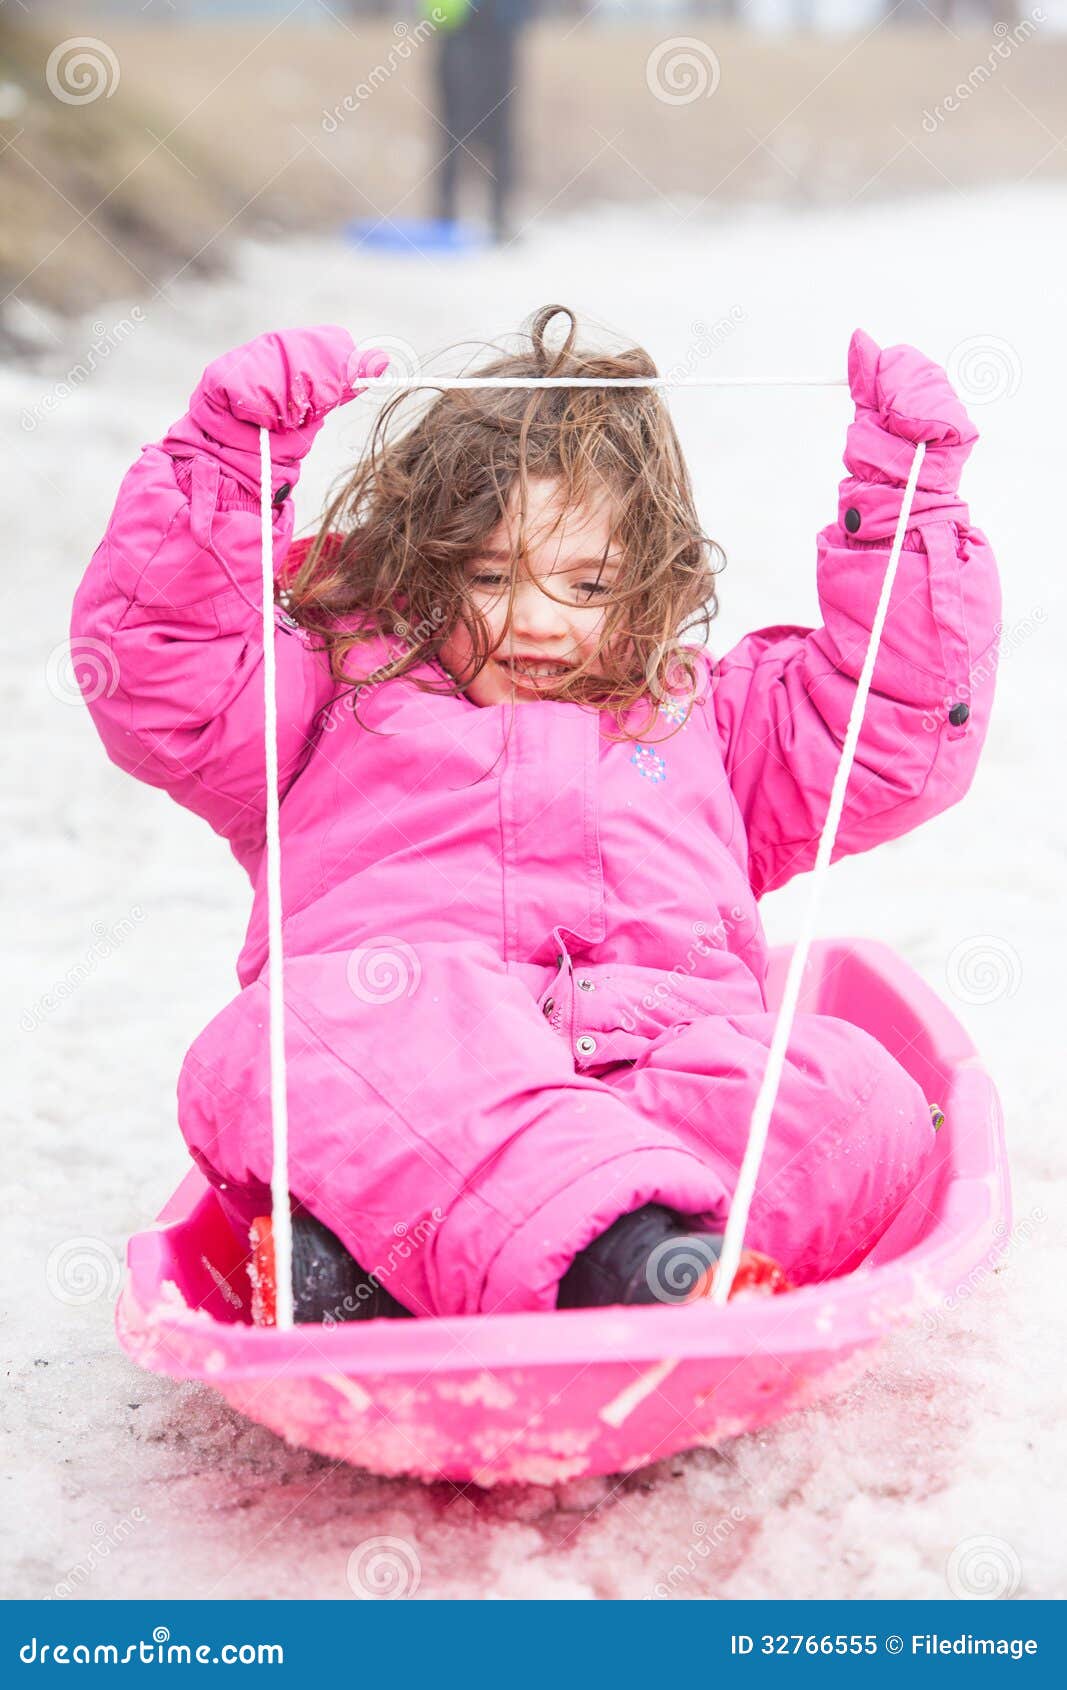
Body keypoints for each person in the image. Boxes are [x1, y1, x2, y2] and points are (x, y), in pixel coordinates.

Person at [70, 306, 1000, 1323]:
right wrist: (230, 459)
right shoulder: (331, 692)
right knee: (298, 1037)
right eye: (487, 575)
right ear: (421, 563)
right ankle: (620, 1265)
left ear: (649, 582)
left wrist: (906, 503)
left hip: (657, 1079)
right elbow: (163, 675)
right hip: (417, 1086)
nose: (535, 619)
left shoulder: (708, 721)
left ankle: (426, 1276)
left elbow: (891, 725)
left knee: (858, 1087)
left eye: (588, 582)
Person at [431, 0, 531, 242]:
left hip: (499, 33)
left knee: (501, 129)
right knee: (453, 127)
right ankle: (445, 215)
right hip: (458, 34)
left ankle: (499, 214)